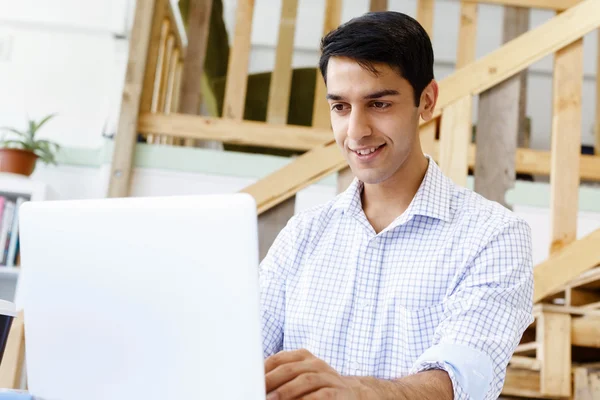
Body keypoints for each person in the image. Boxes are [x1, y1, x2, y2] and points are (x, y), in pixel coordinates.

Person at [259, 10, 534, 400]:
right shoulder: (302, 236)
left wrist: (353, 392)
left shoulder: (493, 236)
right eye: (340, 107)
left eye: (379, 104)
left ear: (426, 100)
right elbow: (241, 356)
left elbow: (459, 379)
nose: (356, 130)